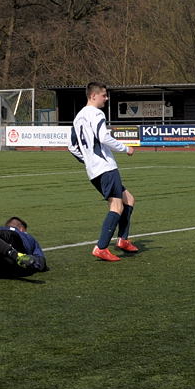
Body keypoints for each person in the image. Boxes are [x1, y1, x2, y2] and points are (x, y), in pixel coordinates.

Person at [69, 81, 138, 262]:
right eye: (104, 95)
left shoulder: (78, 117)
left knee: (128, 199)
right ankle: (101, 247)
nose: (106, 99)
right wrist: (125, 148)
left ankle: (123, 240)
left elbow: (72, 146)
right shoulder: (96, 113)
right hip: (106, 168)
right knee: (117, 206)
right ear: (93, 96)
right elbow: (103, 137)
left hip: (94, 170)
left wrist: (89, 160)